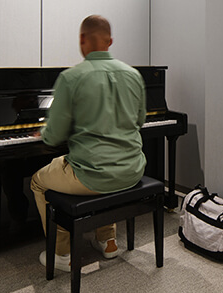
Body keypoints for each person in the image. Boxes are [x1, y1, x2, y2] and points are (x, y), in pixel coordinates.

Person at [30, 15, 147, 271]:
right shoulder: (134, 75)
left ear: (82, 39)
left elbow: (54, 136)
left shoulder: (71, 78)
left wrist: (43, 133)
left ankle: (61, 253)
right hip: (132, 170)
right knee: (101, 166)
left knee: (38, 181)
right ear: (110, 41)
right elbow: (139, 121)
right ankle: (108, 241)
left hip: (93, 175)